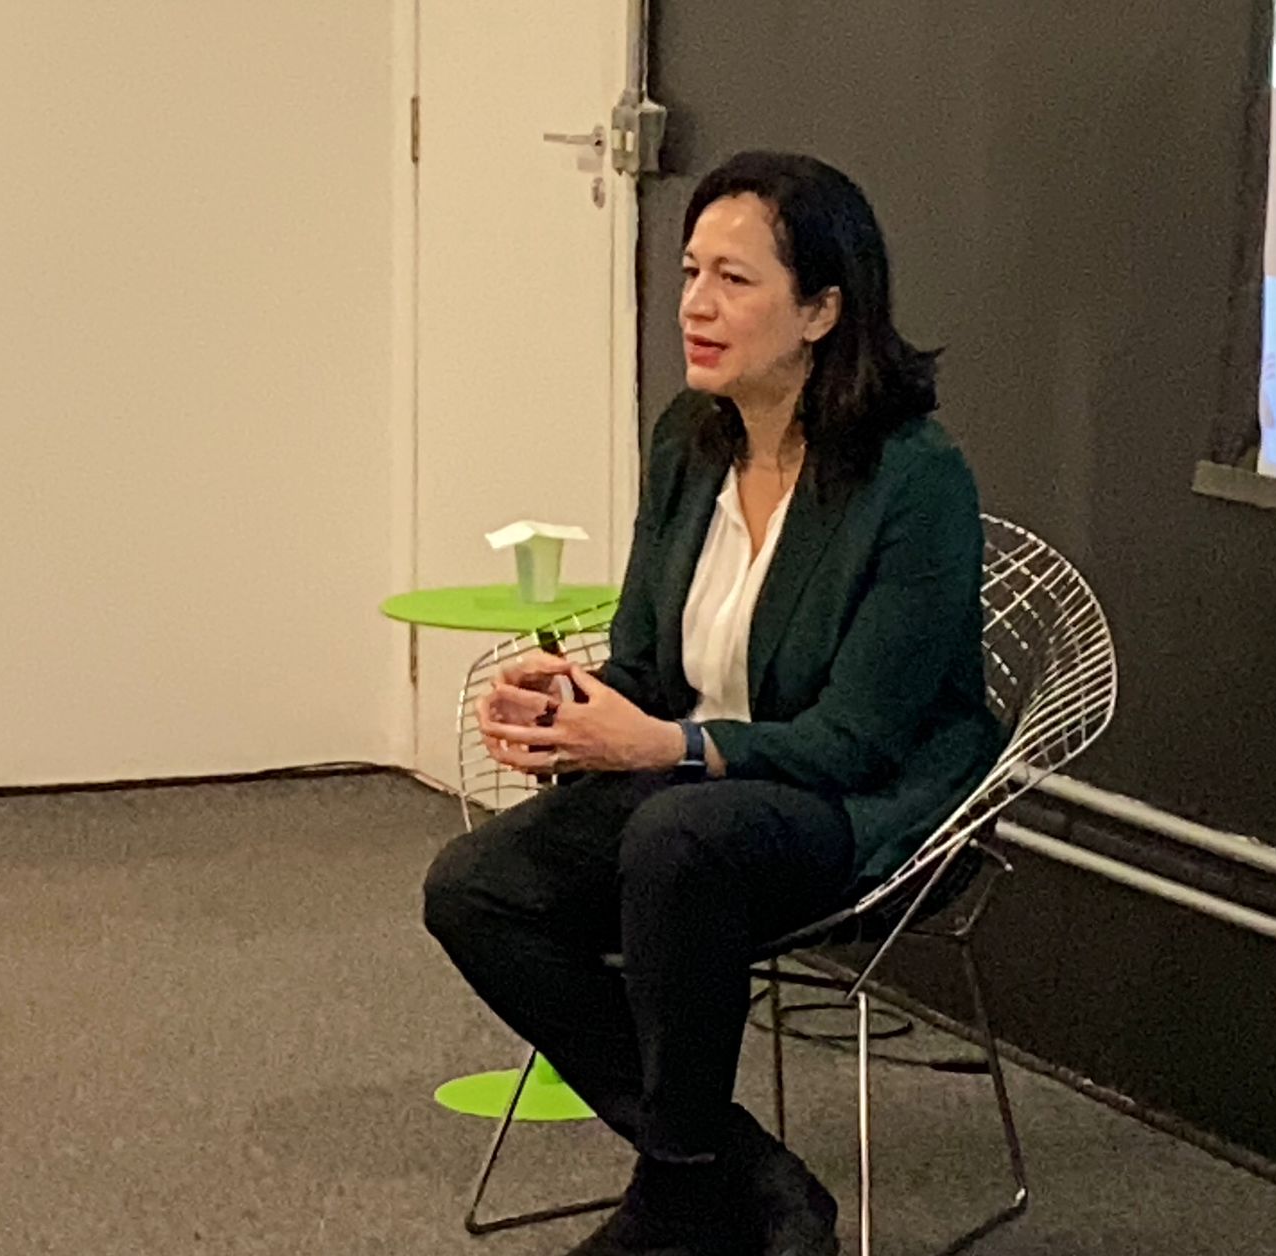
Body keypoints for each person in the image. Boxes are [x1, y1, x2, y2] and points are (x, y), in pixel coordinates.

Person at [423, 151, 1001, 1256]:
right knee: (474, 885)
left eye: (734, 280)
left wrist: (665, 745)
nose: (694, 303)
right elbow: (648, 665)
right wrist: (571, 706)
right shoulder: (688, 442)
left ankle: (675, 1199)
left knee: (679, 838)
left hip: (859, 802)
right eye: (690, 271)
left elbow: (858, 738)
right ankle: (727, 1172)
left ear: (822, 309)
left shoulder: (914, 478)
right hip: (690, 793)